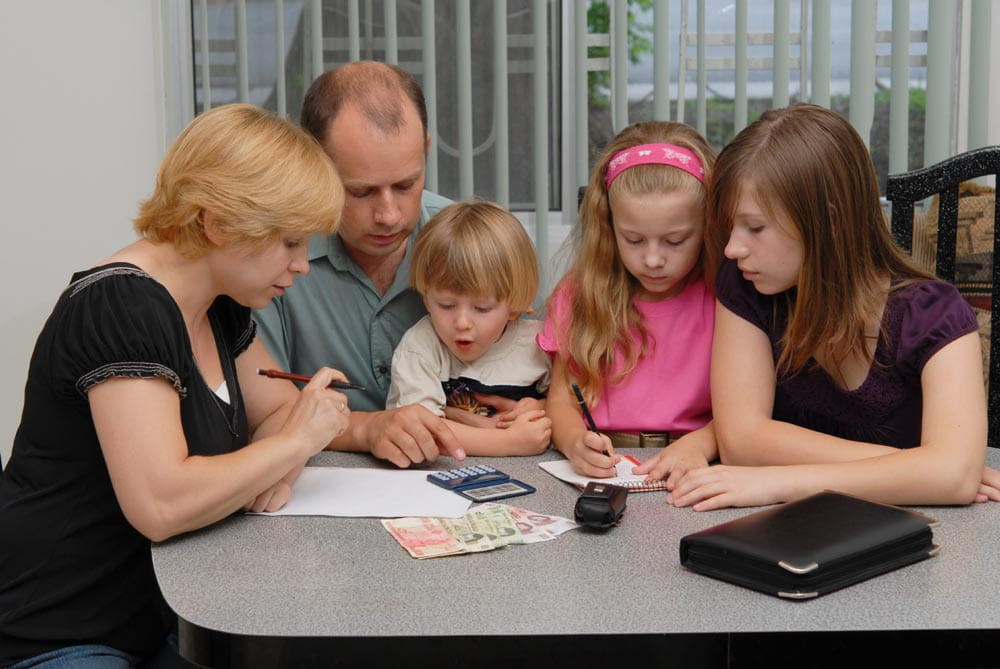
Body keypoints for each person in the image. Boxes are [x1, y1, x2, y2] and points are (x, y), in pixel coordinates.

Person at [0, 104, 352, 667]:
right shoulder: (120, 306)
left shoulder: (220, 306)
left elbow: (281, 411)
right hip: (62, 631)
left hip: (167, 617)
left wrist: (268, 459)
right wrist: (291, 448)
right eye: (288, 242)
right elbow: (162, 504)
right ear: (216, 223)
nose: (303, 263)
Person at [669, 102, 1000, 511]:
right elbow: (741, 443)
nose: (733, 247)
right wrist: (919, 469)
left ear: (830, 222)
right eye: (731, 226)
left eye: (755, 228)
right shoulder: (745, 284)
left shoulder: (936, 315)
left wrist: (781, 482)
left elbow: (953, 478)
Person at [254, 60, 467, 469]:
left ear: (425, 147)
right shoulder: (271, 260)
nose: (388, 214)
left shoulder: (469, 242)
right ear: (314, 161)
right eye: (361, 192)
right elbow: (267, 414)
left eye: (406, 185)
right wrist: (367, 428)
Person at [538, 122, 718, 483]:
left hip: (697, 469)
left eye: (676, 240)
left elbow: (749, 412)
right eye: (633, 240)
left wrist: (701, 444)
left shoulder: (725, 301)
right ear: (608, 227)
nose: (653, 259)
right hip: (606, 473)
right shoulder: (579, 295)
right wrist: (576, 444)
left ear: (708, 226)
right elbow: (560, 401)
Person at [386, 200, 552, 455]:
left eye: (482, 308)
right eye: (447, 304)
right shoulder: (420, 348)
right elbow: (420, 432)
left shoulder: (539, 345)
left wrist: (542, 407)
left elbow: (575, 407)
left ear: (515, 306)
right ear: (426, 298)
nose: (462, 323)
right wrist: (509, 442)